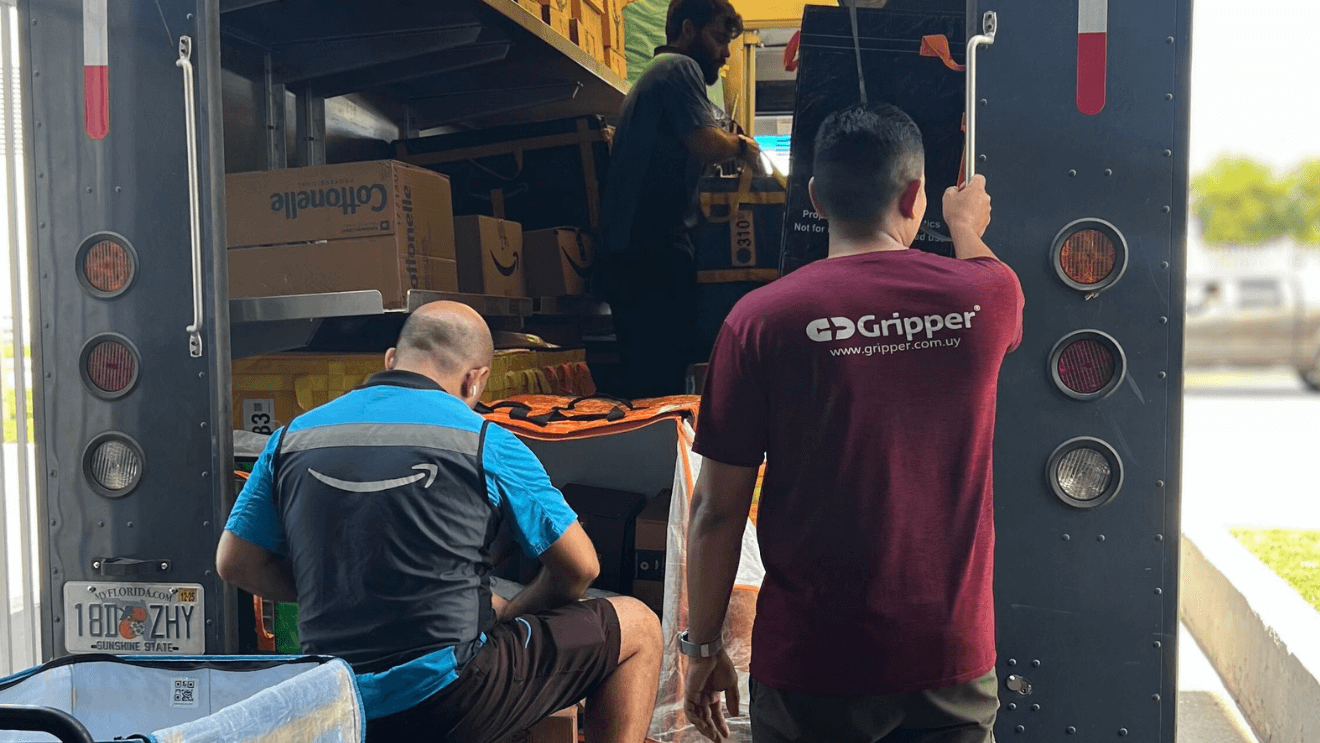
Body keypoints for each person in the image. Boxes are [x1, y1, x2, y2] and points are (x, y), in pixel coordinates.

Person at [678, 105, 1025, 743]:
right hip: (946, 659)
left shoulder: (758, 320)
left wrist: (700, 647)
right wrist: (965, 224)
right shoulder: (985, 299)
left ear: (814, 196)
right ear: (915, 195)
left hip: (810, 668)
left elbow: (716, 512)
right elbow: (988, 268)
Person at [216, 301, 663, 743]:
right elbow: (581, 567)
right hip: (450, 697)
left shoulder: (290, 438)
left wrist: (342, 591)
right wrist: (514, 613)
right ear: (475, 380)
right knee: (639, 625)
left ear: (390, 359)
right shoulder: (485, 440)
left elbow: (235, 563)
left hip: (336, 697)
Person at [598, 0, 762, 399]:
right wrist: (743, 147)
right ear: (688, 30)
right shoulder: (678, 68)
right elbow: (705, 142)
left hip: (636, 254)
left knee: (655, 381)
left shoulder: (659, 76)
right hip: (648, 254)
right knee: (659, 390)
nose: (724, 53)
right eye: (719, 39)